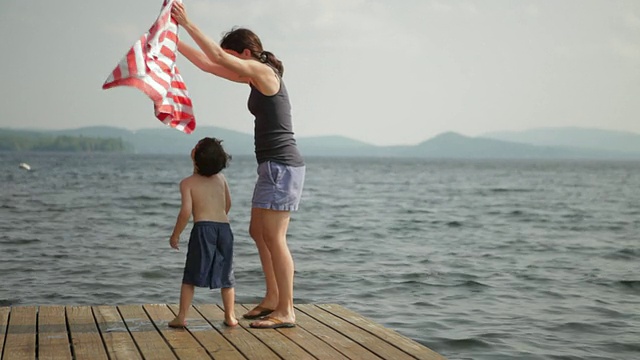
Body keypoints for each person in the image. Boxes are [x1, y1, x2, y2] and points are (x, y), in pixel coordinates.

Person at [172, 2, 306, 329]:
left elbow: (217, 58)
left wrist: (187, 24)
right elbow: (208, 64)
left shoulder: (263, 72)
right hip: (272, 167)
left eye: (233, 56)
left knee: (275, 237)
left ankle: (286, 309)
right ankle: (273, 298)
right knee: (257, 232)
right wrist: (172, 42)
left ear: (245, 53)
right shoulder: (252, 75)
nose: (230, 61)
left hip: (282, 167)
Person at [168, 137, 237, 328]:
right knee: (226, 274)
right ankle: (230, 316)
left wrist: (175, 235)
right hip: (224, 228)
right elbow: (228, 204)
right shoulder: (221, 179)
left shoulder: (188, 183)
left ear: (196, 156)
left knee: (190, 275)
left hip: (203, 229)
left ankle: (181, 317)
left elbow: (185, 212)